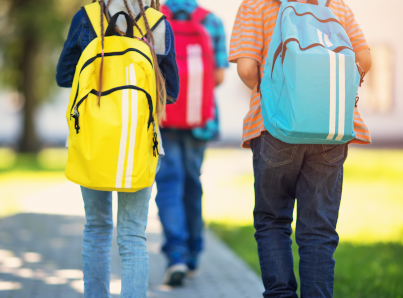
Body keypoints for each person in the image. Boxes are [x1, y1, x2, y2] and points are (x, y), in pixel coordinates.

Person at [229, 0, 372, 297]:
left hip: (275, 127)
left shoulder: (256, 6)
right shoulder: (336, 7)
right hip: (331, 129)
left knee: (272, 219)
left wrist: (275, 94)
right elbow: (364, 58)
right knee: (319, 228)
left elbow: (246, 68)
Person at [56, 0, 179, 297]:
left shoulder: (87, 18)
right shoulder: (157, 22)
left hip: (94, 141)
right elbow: (171, 92)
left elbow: (63, 76)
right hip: (138, 144)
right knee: (133, 236)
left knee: (97, 229)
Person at [154, 0, 229, 286]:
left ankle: (176, 255)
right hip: (201, 120)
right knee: (192, 183)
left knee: (169, 184)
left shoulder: (155, 19)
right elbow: (218, 76)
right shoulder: (210, 21)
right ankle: (194, 254)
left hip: (164, 117)